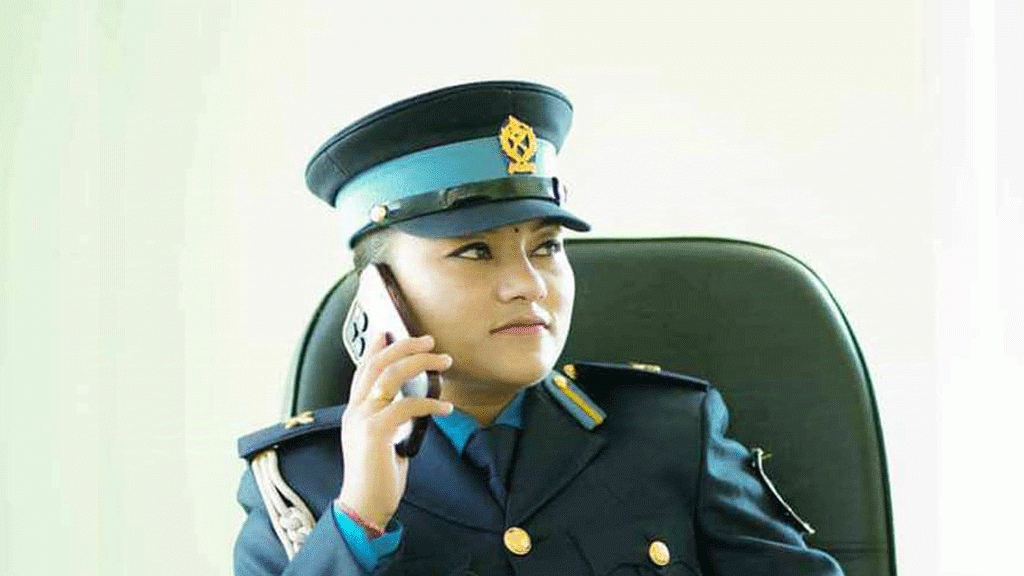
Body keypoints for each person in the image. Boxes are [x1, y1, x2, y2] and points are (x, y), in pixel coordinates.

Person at [233, 81, 845, 575]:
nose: (528, 284)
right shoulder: (301, 483)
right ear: (380, 295)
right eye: (475, 251)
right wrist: (358, 522)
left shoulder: (671, 433)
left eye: (546, 247)